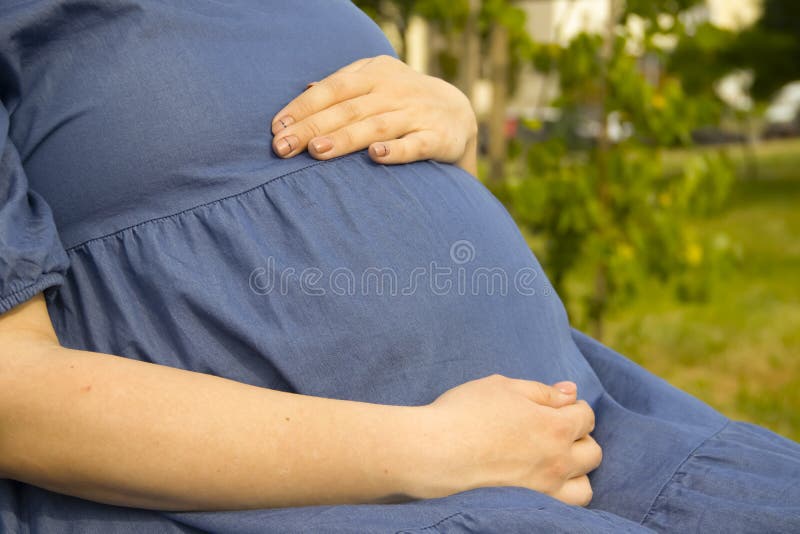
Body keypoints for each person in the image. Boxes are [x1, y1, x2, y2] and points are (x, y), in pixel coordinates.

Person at [0, 1, 798, 532]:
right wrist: (432, 453)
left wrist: (455, 135)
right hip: (358, 498)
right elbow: (12, 395)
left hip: (589, 427)